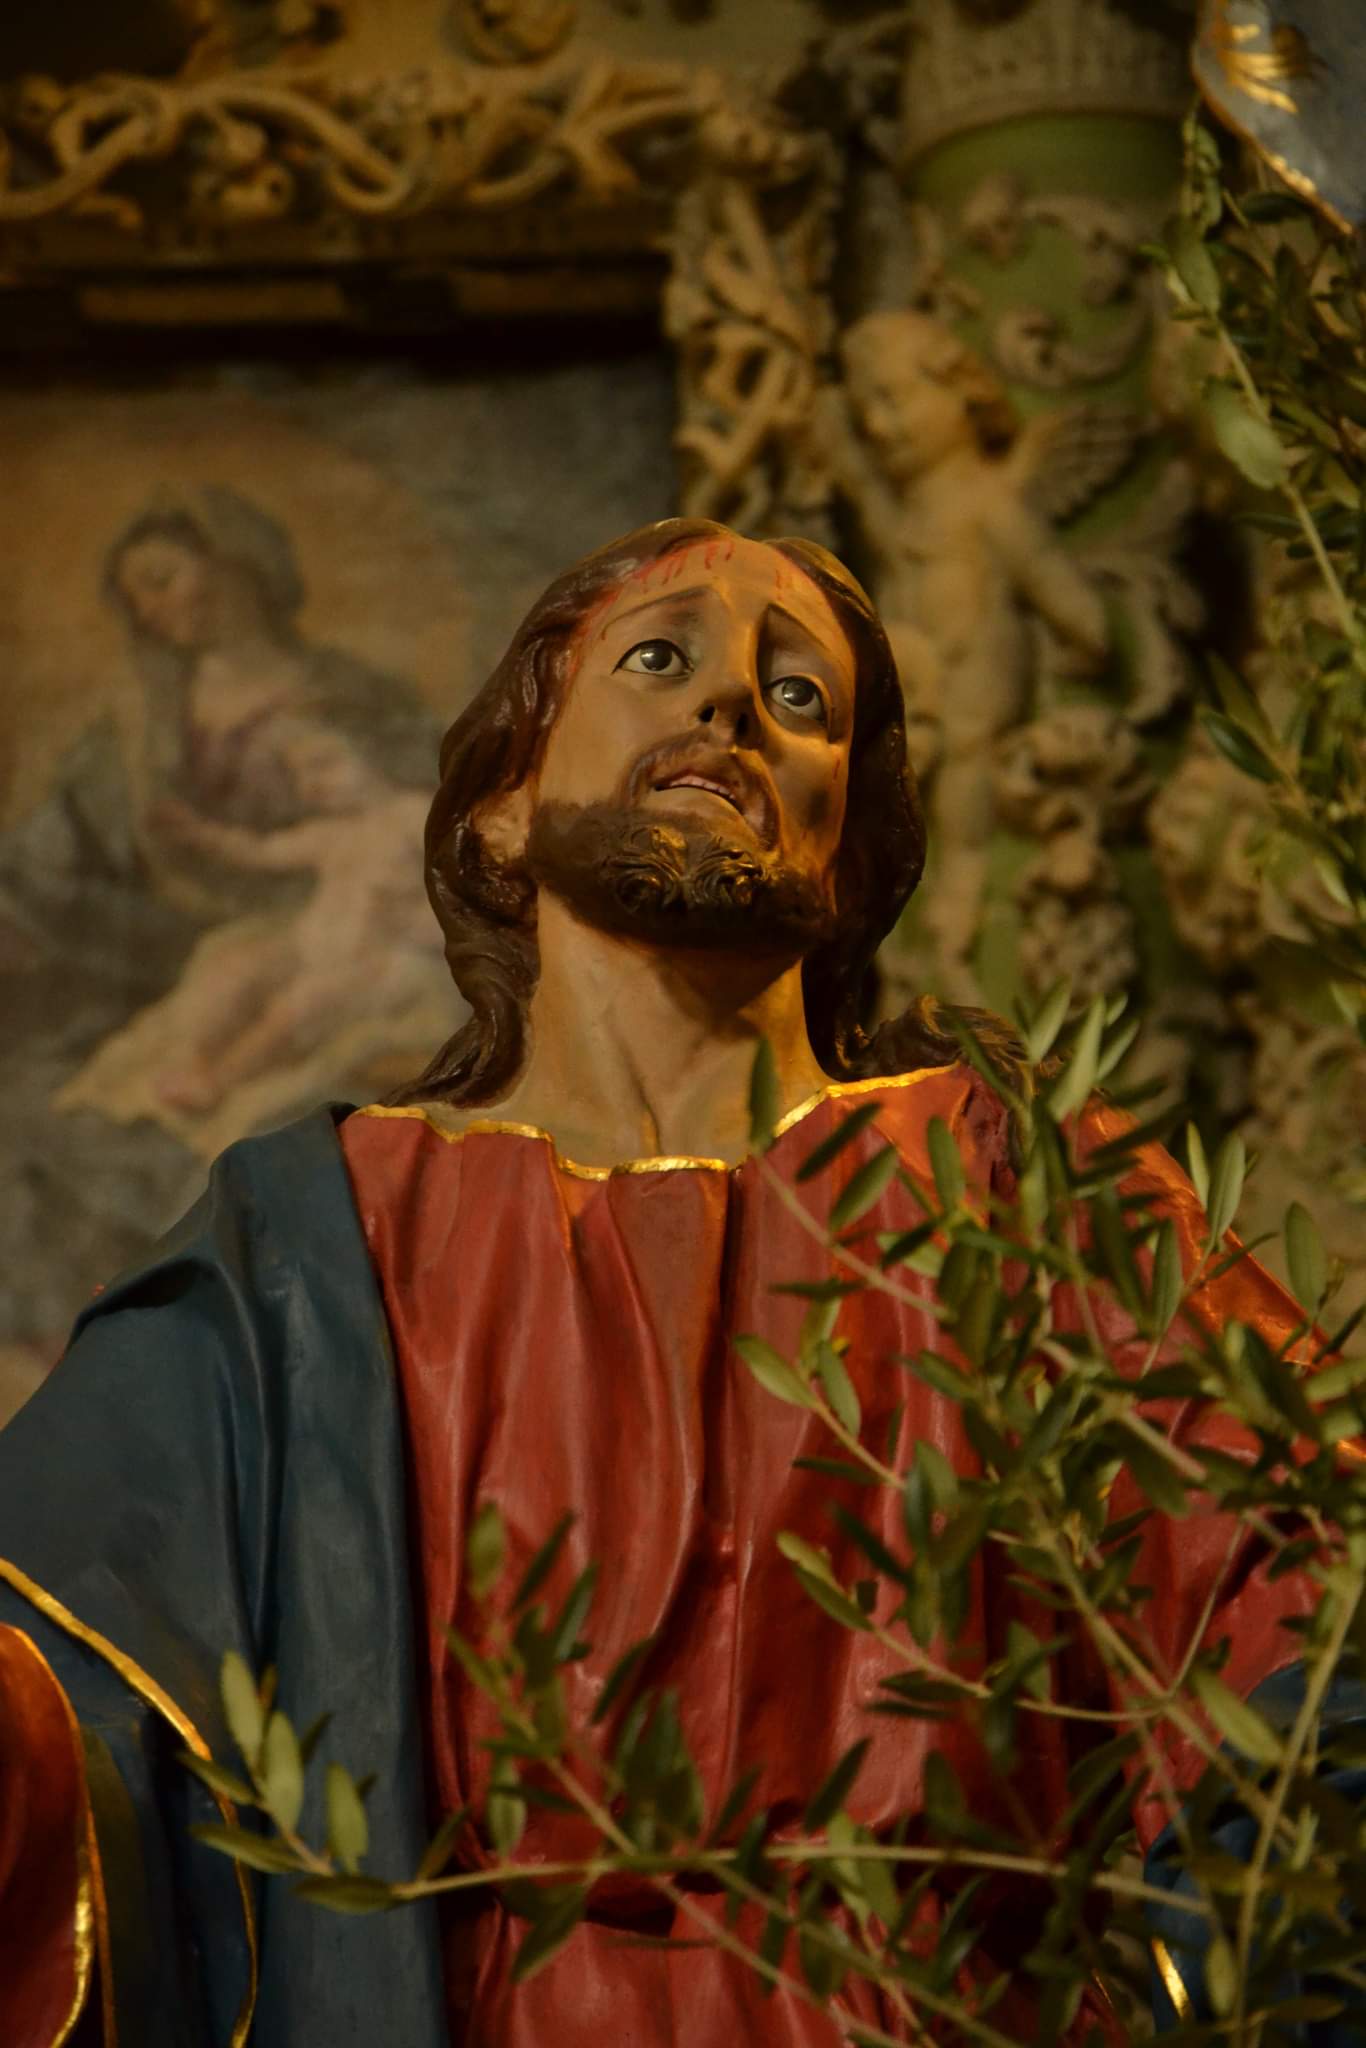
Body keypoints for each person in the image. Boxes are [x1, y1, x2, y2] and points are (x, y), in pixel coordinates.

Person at [0, 519, 1332, 2046]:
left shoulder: (1016, 1187)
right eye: (660, 657)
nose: (732, 704)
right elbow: (58, 1684)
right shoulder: (312, 1242)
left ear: (844, 852)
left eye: (800, 698)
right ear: (501, 809)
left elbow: (1299, 1601)